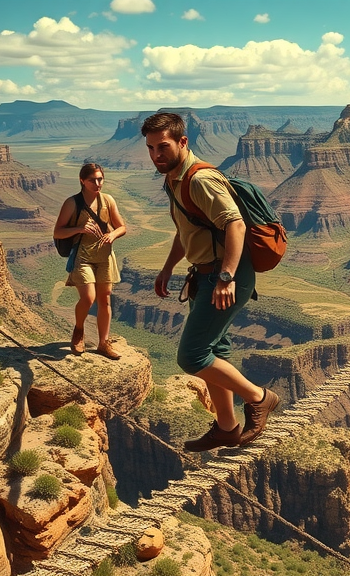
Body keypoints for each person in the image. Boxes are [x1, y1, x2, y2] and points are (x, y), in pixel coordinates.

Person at [141, 112, 279, 451]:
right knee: (215, 350)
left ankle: (260, 398)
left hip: (226, 276)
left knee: (192, 355)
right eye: (151, 148)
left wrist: (226, 278)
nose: (157, 155)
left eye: (163, 147)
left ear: (182, 142)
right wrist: (167, 267)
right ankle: (227, 428)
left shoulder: (199, 179)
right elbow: (187, 229)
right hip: (204, 274)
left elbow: (236, 225)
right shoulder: (173, 179)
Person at [53, 163, 127, 360]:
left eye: (100, 179)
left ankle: (103, 343)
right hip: (82, 258)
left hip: (104, 258)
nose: (97, 183)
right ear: (82, 181)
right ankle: (79, 331)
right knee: (88, 298)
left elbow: (121, 227)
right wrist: (79, 229)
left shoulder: (107, 201)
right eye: (92, 180)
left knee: (105, 299)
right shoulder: (72, 203)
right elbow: (57, 232)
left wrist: (113, 235)